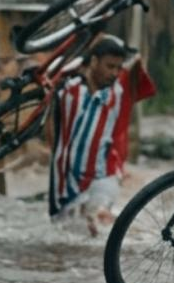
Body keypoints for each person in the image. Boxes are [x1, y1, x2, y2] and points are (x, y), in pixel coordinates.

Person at [48, 35, 156, 235]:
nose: (115, 73)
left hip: (102, 175)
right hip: (65, 183)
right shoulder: (68, 89)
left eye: (118, 68)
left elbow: (136, 62)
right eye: (110, 67)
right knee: (68, 238)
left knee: (98, 221)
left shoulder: (117, 93)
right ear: (94, 62)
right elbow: (51, 74)